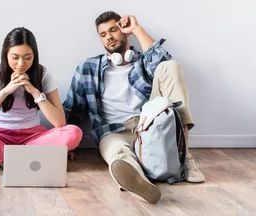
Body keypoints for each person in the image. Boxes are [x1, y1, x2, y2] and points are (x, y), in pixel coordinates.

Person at [63, 11, 205, 204]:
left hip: (148, 126)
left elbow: (162, 62)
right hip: (111, 131)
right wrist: (64, 144)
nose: (109, 37)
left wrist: (137, 29)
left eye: (113, 30)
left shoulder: (142, 62)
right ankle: (137, 181)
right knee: (117, 154)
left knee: (170, 66)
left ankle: (185, 157)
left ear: (124, 32)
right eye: (103, 34)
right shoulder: (88, 68)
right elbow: (72, 109)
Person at [0, 27, 83, 170]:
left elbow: (60, 122)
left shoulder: (42, 73)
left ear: (34, 55)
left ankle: (1, 159)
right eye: (15, 57)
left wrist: (34, 92)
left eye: (28, 57)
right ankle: (28, 158)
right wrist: (5, 91)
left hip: (33, 137)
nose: (21, 63)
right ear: (6, 54)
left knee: (74, 132)